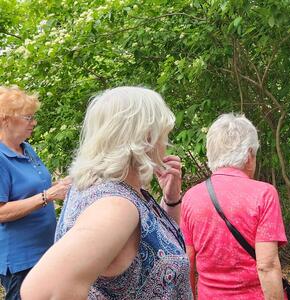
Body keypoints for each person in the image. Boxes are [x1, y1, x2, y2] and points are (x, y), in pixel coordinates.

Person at [21, 86, 193, 299]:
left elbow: (156, 246)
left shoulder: (105, 188)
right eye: (164, 134)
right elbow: (43, 289)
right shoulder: (116, 206)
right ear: (146, 137)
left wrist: (171, 199)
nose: (166, 143)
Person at [181, 113, 287, 300]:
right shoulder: (264, 194)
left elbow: (187, 261)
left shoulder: (191, 197)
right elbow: (267, 266)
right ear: (248, 155)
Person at [0, 86, 71, 300]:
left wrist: (62, 186)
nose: (34, 122)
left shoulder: (26, 149)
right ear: (6, 120)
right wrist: (48, 196)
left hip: (45, 251)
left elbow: (37, 188)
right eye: (28, 117)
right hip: (21, 261)